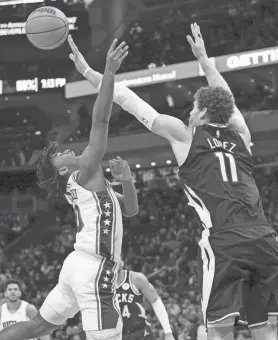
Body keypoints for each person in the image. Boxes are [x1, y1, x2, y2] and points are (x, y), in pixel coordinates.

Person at [68, 25, 278, 340]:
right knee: (264, 326)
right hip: (265, 237)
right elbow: (228, 102)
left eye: (194, 107)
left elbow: (128, 99)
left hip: (226, 240)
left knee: (217, 329)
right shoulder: (242, 135)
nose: (189, 111)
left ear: (204, 111)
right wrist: (205, 60)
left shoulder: (185, 135)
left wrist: (89, 72)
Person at [0, 36, 139, 340]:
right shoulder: (86, 173)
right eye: (61, 154)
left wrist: (127, 182)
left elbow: (129, 211)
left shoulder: (89, 186)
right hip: (93, 267)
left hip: (76, 265)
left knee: (38, 327)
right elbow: (100, 120)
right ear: (63, 169)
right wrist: (109, 71)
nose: (67, 150)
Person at [115, 263, 174, 340]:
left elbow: (156, 301)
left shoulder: (136, 278)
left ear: (121, 261)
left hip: (141, 334)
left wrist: (168, 332)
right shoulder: (99, 286)